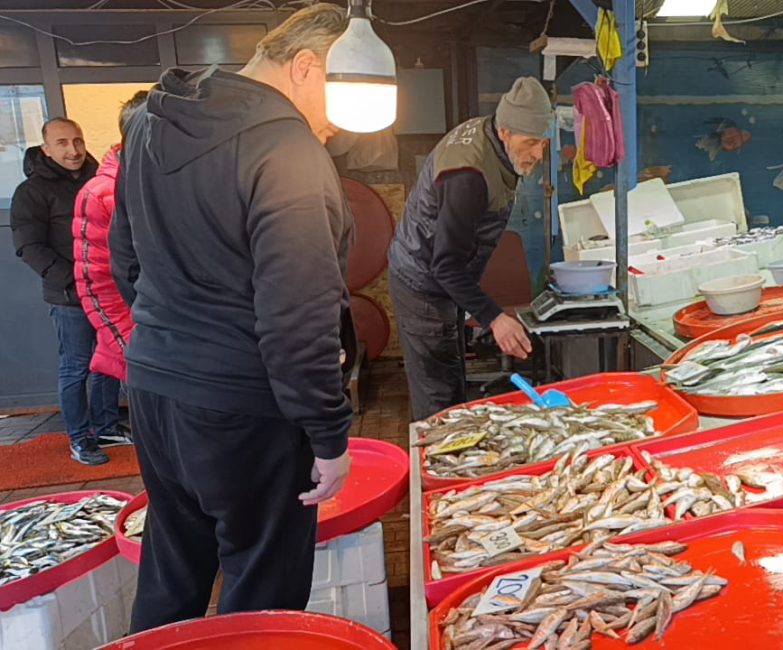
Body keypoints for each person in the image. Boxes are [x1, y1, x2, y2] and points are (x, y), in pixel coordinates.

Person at [109, 3, 355, 632]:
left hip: (155, 390)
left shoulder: (147, 125)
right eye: (340, 93)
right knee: (261, 589)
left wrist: (176, 334)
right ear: (306, 67)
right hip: (245, 407)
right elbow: (297, 314)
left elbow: (126, 260)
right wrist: (328, 437)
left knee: (173, 565)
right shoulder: (285, 147)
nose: (336, 123)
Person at [388, 76, 552, 421]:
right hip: (422, 283)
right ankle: (438, 467)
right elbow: (444, 265)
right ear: (505, 131)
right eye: (531, 142)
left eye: (544, 143)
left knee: (452, 377)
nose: (538, 154)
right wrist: (495, 318)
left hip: (443, 278)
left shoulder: (492, 137)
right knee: (439, 396)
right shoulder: (468, 174)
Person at [10, 117, 126, 466]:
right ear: (46, 149)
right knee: (76, 366)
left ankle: (107, 425)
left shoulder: (98, 180)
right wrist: (78, 280)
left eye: (77, 141)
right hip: (70, 298)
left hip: (107, 293)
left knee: (109, 362)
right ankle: (79, 437)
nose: (73, 150)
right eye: (62, 143)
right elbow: (30, 248)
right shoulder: (31, 192)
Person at [72, 90, 149, 384]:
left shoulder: (163, 181)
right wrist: (132, 345)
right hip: (141, 340)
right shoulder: (99, 192)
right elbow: (98, 282)